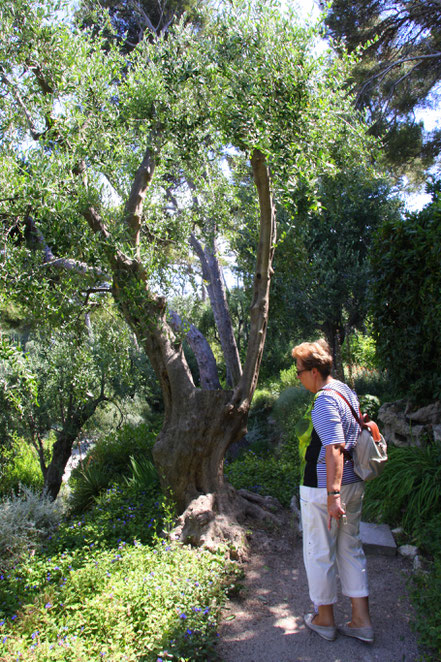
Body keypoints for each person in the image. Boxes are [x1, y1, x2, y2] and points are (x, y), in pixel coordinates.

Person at [291, 339, 373, 643]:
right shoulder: (345, 391)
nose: (297, 377)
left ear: (314, 371)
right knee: (350, 548)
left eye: (299, 371)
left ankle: (324, 619)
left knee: (319, 551)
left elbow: (335, 447)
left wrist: (332, 494)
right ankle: (361, 621)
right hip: (354, 484)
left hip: (324, 490)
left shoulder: (325, 399)